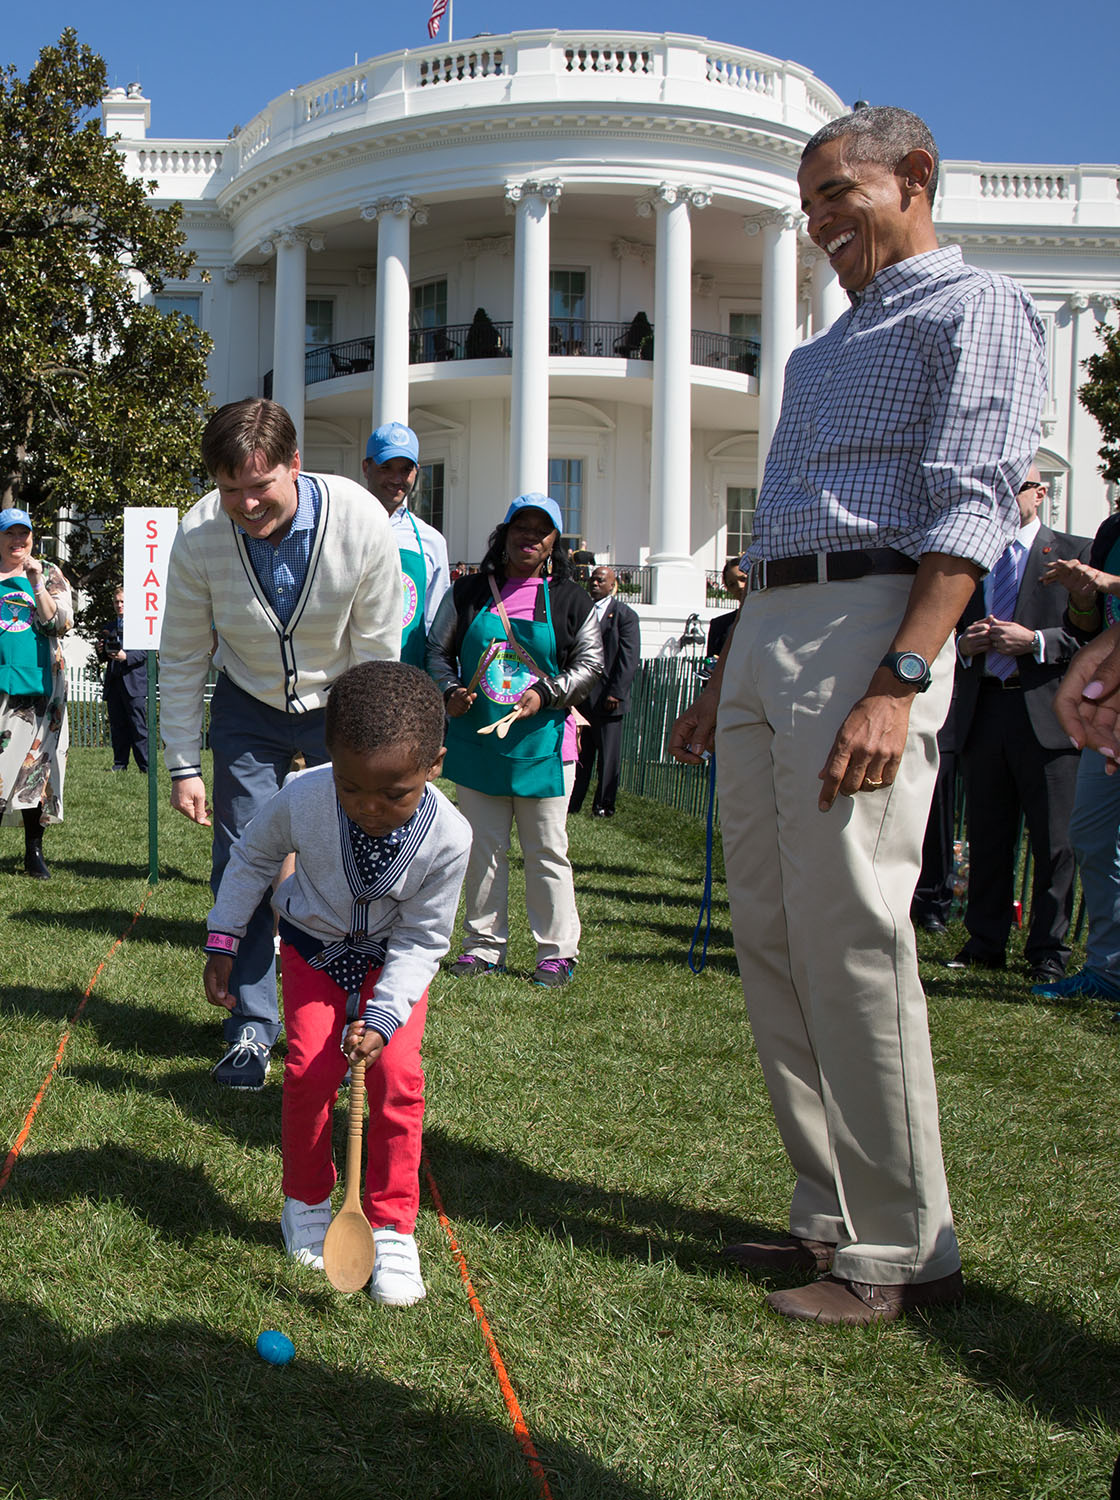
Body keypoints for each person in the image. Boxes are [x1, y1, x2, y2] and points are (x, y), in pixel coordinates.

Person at [669, 106, 1047, 1325]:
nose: (822, 219)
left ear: (914, 178)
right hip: (774, 628)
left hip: (873, 626)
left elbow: (973, 503)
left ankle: (898, 1248)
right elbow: (782, 526)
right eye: (810, 201)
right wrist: (728, 675)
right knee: (773, 938)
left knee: (853, 937)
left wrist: (900, 678)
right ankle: (825, 1217)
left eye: (839, 192)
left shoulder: (975, 308)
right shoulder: (818, 352)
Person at [203, 662, 470, 1304]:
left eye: (394, 794)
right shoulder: (303, 797)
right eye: (353, 789)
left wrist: (381, 1019)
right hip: (312, 950)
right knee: (310, 1072)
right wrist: (224, 936)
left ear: (434, 764)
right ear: (329, 756)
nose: (371, 808)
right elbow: (253, 857)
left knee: (398, 1080)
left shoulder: (450, 838)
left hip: (392, 963)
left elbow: (424, 940)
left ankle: (392, 1225)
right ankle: (306, 1200)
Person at [160, 398, 403, 1090]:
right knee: (246, 858)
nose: (244, 503)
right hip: (248, 703)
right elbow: (181, 656)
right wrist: (184, 764)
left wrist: (366, 748)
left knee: (347, 854)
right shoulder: (199, 533)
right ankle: (249, 1029)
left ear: (295, 465)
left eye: (259, 486)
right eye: (228, 488)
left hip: (343, 699)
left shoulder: (360, 521)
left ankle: (350, 1019)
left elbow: (378, 650)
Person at [427, 493, 603, 987]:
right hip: (478, 740)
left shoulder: (572, 600)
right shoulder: (467, 593)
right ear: (503, 535)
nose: (529, 537)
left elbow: (590, 666)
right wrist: (449, 691)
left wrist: (546, 694)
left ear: (554, 544)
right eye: (519, 527)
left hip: (544, 744)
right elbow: (437, 651)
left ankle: (556, 951)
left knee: (547, 848)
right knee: (483, 848)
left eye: (541, 531)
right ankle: (483, 947)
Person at [946, 467, 1088, 984]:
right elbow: (945, 630)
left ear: (1041, 491)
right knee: (987, 834)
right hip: (985, 710)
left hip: (1048, 713)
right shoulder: (972, 561)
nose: (1007, 498)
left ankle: (1048, 950)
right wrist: (965, 646)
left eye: (1018, 488)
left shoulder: (1075, 553)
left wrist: (1036, 641)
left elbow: (1091, 637)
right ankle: (985, 941)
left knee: (1055, 842)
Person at [1032, 504, 1120, 1002]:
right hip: (1105, 705)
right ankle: (1110, 972)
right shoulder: (1113, 528)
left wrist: (1104, 581)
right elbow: (1087, 628)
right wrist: (1085, 597)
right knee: (1090, 833)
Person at [0, 508, 73, 879]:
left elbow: (60, 623)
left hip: (43, 692)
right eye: (9, 534)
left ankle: (34, 852)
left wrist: (37, 583)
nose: (18, 541)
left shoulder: (48, 573)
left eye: (23, 535)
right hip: (2, 686)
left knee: (36, 767)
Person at [361, 422, 450, 667]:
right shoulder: (343, 526)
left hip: (409, 676)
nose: (396, 479)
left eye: (406, 470)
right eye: (386, 468)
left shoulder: (431, 540)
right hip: (352, 675)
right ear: (366, 468)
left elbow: (435, 624)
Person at [569, 565, 641, 818]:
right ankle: (574, 803)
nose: (595, 584)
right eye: (592, 580)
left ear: (613, 585)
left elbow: (628, 658)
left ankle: (603, 805)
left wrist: (616, 693)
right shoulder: (583, 612)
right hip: (584, 700)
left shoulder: (624, 615)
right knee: (580, 756)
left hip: (609, 700)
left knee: (608, 758)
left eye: (601, 580)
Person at [95, 586, 148, 772]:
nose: (119, 605)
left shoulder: (141, 625)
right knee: (117, 727)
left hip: (134, 682)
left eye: (123, 601)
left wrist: (127, 657)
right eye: (116, 601)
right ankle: (120, 764)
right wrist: (100, 651)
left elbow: (146, 652)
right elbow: (104, 657)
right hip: (114, 682)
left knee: (138, 727)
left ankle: (145, 767)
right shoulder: (108, 627)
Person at [706, 559, 747, 660]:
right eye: (732, 584)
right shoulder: (720, 625)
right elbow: (712, 664)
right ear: (728, 589)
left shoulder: (772, 617)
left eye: (743, 579)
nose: (739, 586)